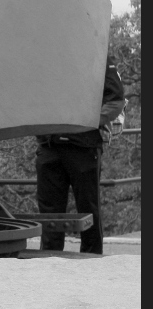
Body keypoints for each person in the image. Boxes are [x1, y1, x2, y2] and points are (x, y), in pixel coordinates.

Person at [35, 59, 126, 254]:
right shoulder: (46, 55)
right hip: (49, 145)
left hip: (83, 147)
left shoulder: (98, 55)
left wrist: (90, 122)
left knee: (88, 209)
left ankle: (91, 260)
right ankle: (49, 261)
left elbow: (116, 100)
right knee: (49, 213)